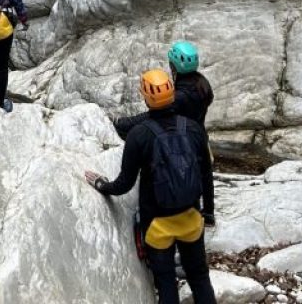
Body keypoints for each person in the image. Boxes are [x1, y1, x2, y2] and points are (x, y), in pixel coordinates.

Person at [85, 69, 217, 304]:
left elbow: (124, 184)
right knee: (199, 277)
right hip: (191, 219)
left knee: (166, 282)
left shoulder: (139, 135)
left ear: (146, 97)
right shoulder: (193, 129)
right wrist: (208, 212)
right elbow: (206, 174)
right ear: (172, 92)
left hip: (157, 226)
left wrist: (101, 184)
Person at [113, 40, 214, 139]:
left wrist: (119, 123)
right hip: (199, 137)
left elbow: (153, 116)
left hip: (184, 143)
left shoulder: (180, 96)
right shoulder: (201, 83)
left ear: (173, 66)